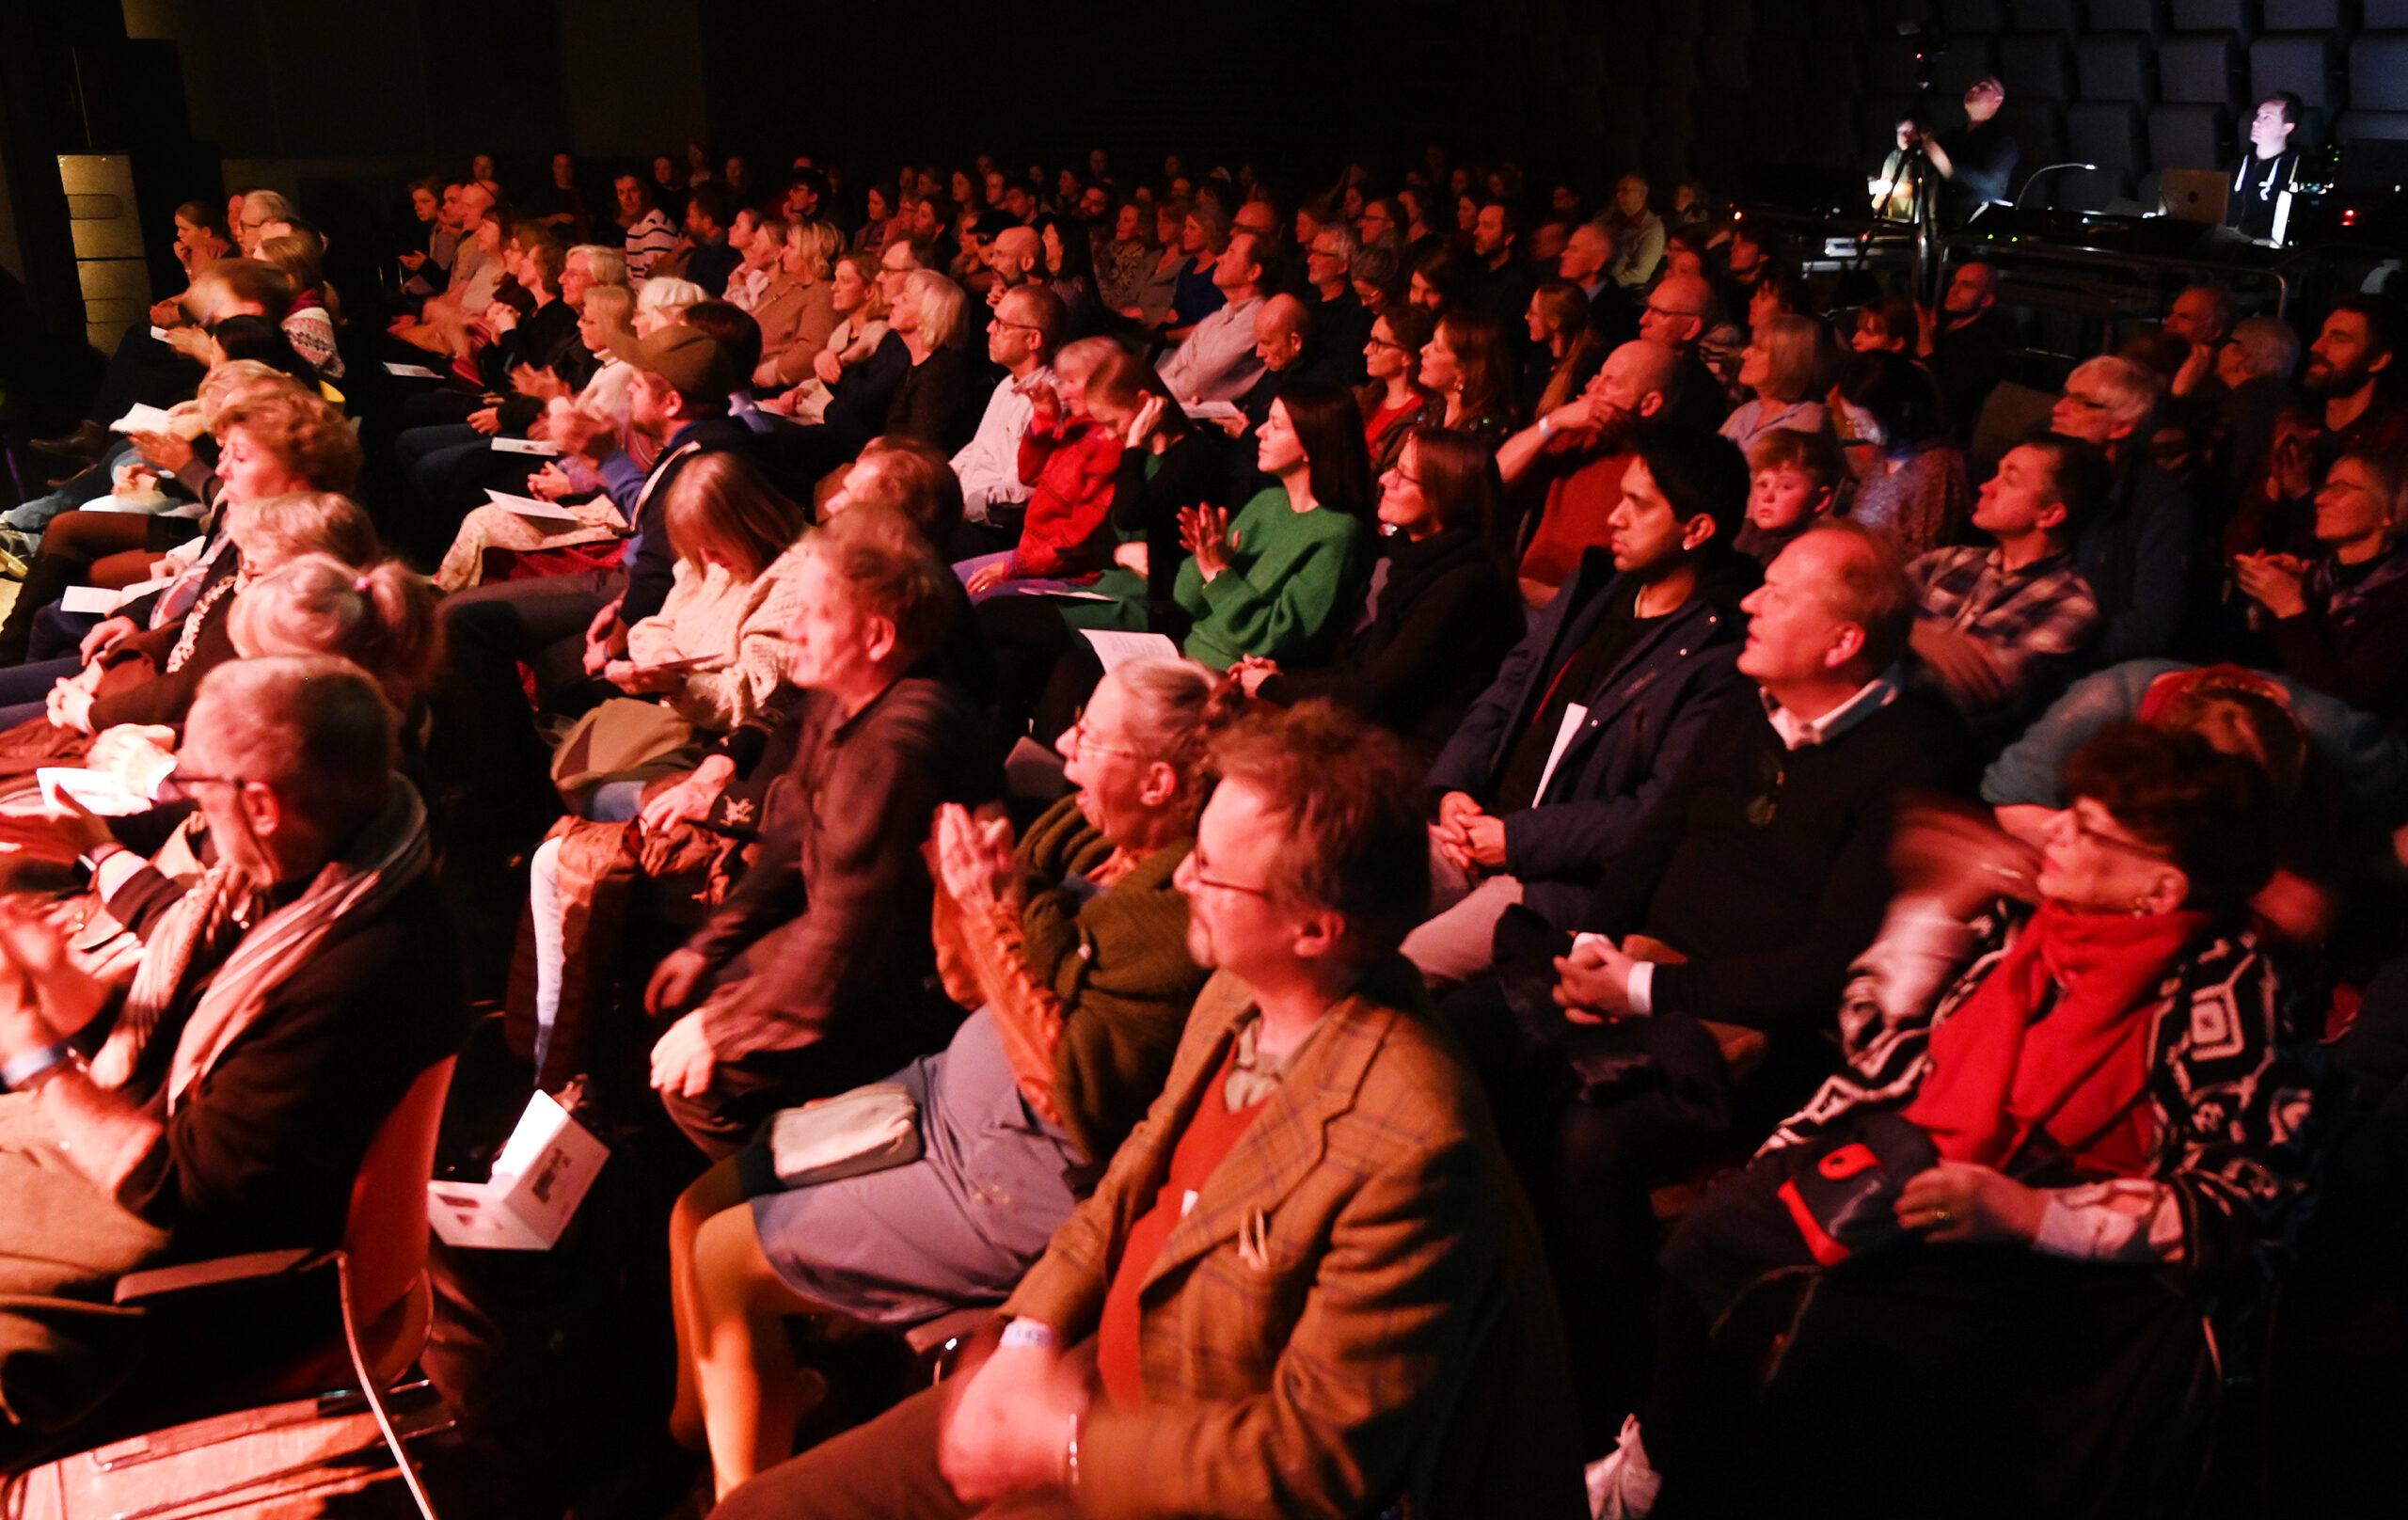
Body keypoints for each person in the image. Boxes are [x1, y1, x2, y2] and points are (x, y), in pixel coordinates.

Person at [710, 701, 1585, 1520]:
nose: (1185, 884)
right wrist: (1026, 1336)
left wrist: (1064, 1442)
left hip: (1171, 1469)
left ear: (1317, 928)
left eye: (1213, 872)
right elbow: (1130, 1176)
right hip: (1088, 1376)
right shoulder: (1236, 993)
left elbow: (1313, 1463)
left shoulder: (1413, 1142)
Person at [1598, 723, 2306, 1520]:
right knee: (1715, 1235)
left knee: (1840, 1345)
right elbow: (1884, 1049)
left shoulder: (2231, 989)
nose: (2054, 831)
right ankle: (1658, 1468)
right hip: (1935, 1172)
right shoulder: (2041, 931)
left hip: (2075, 1260)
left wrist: (2033, 1216)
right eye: (2067, 810)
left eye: (2088, 827)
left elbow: (2245, 1200)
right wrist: (1936, 907)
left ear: (2162, 890)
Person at [665, 655, 1220, 1495]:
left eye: (1092, 738)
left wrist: (993, 915)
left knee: (719, 1259)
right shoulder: (1076, 831)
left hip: (1008, 1175)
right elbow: (967, 984)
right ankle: (703, 1425)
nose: (1065, 743)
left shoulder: (1172, 924)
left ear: (1157, 783)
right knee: (693, 1208)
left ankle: (746, 1500)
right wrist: (955, 893)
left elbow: (1066, 1096)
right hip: (939, 1097)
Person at [0, 656, 463, 1467]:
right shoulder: (331, 870)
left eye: (196, 782)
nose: (190, 804)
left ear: (261, 804)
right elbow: (197, 1047)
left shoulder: (367, 966)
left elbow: (184, 1192)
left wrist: (34, 1052)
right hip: (182, 1186)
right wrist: (63, 982)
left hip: (234, 1284)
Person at [641, 506, 995, 1156]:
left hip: (906, 993)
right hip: (848, 951)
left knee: (696, 1086)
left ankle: (777, 1204)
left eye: (816, 615)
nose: (795, 630)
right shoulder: (843, 695)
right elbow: (789, 851)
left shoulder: (901, 745)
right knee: (674, 982)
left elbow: (848, 943)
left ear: (877, 638)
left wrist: (723, 1029)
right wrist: (709, 946)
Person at [1411, 424, 1756, 985]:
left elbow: (1654, 811)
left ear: (1696, 529)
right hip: (1474, 833)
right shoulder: (1596, 589)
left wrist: (1517, 842)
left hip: (1554, 880)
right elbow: (1505, 693)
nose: (1614, 517)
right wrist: (1455, 790)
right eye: (1621, 496)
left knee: (1400, 970)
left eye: (1638, 505)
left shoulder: (1718, 653)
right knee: (1321, 892)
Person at [1234, 427, 1522, 763]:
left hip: (1417, 760)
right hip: (1382, 737)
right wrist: (1282, 674)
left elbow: (1374, 693)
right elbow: (1363, 667)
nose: (1385, 479)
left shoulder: (1465, 584)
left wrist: (1270, 686)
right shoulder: (1413, 562)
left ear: (1445, 495)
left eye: (1403, 475)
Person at [1907, 435, 2109, 732]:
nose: (1986, 487)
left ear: (2050, 514)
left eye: (2010, 480)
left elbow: (1973, 691)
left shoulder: (2071, 604)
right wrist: (1917, 635)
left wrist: (1893, 633)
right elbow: (1854, 610)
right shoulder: (1947, 561)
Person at [1170, 382, 1375, 671]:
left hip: (1234, 678)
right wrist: (1204, 557)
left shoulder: (1339, 535)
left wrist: (1216, 572)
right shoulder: (1267, 503)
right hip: (1189, 655)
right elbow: (1187, 601)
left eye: (1276, 426)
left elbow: (1274, 639)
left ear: (1311, 443)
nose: (1259, 432)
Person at [1505, 340, 1690, 609]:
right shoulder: (1583, 438)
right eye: (1598, 377)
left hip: (1580, 613)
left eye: (1611, 382)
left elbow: (1636, 589)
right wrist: (1552, 423)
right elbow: (1496, 477)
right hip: (1523, 597)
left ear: (1649, 404)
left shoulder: (1665, 472)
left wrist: (1556, 600)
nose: (1593, 389)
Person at [2227, 295, 2408, 559]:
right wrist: (2275, 485)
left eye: (2339, 338)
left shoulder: (2395, 436)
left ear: (2377, 360)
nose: (2318, 347)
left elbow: (2376, 552)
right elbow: (2239, 546)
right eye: (2321, 335)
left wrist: (2302, 493)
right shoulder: (2300, 427)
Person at [2236, 450, 2408, 720]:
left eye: (2340, 490)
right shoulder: (2323, 580)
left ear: (2389, 513)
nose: (2320, 499)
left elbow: (2342, 703)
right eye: (2325, 487)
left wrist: (2290, 607)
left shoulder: (2398, 598)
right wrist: (2265, 599)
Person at [2045, 355, 2193, 665]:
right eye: (2064, 396)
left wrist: (2058, 653)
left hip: (2093, 666)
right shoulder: (2046, 475)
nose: (2058, 409)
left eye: (2082, 402)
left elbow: (2153, 624)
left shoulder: (2158, 502)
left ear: (2122, 427)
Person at [948, 286, 1067, 555]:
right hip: (966, 509)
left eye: (1001, 324)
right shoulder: (1005, 385)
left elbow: (1022, 490)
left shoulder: (1050, 398)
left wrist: (961, 509)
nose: (990, 328)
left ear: (1033, 339)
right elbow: (977, 450)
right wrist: (939, 483)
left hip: (995, 529)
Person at [1832, 351, 1970, 560]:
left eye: (1864, 424)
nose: (1859, 433)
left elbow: (1923, 558)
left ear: (1900, 412)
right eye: (1855, 423)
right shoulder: (1884, 452)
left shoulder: (1935, 469)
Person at [1157, 228, 1270, 404]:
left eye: (1231, 253)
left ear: (1253, 272)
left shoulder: (1258, 321)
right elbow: (1176, 364)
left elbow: (1196, 382)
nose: (1219, 258)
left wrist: (1152, 395)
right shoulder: (1218, 317)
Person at [1719, 313, 1829, 453]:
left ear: (1787, 361)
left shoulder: (1806, 419)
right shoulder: (1745, 412)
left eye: (1759, 349)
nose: (1745, 354)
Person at [1735, 426, 1846, 566]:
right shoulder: (1739, 534)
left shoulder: (1814, 556)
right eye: (1763, 485)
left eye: (1785, 487)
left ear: (1821, 499)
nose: (1767, 497)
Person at [1924, 75, 2019, 226]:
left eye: (1984, 86)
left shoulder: (2003, 142)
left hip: (1977, 229)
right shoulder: (1951, 136)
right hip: (1941, 225)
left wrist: (1949, 169)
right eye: (1972, 85)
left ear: (1998, 100)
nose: (1974, 89)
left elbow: (1993, 185)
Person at [1357, 306, 1440, 476]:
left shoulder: (1420, 418)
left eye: (1378, 343)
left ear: (1407, 357)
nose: (1366, 351)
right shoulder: (1367, 398)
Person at [1418, 309, 1516, 443]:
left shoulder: (1483, 433)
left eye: (1437, 348)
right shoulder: (1433, 410)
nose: (1423, 350)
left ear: (1464, 371)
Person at [2229, 91, 2305, 244]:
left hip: (2268, 247)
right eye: (2258, 115)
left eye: (2267, 117)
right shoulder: (2238, 163)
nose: (2256, 122)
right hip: (2228, 239)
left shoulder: (2297, 169)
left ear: (2287, 128)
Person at [1607, 175, 1666, 290]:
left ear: (1642, 195)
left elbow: (1641, 273)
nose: (1618, 196)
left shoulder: (1652, 229)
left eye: (1625, 191)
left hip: (1622, 292)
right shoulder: (1615, 220)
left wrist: (1607, 286)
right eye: (1617, 191)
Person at [616, 173, 680, 280]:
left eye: (633, 190)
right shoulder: (635, 230)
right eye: (621, 192)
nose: (627, 198)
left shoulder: (657, 229)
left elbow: (659, 285)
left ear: (647, 193)